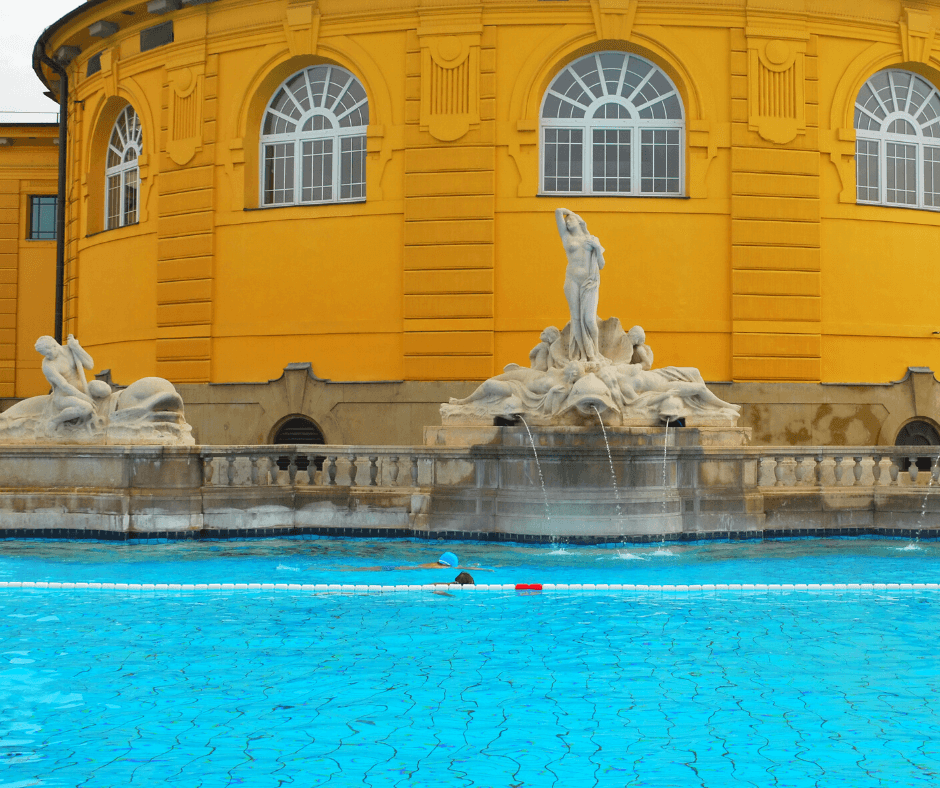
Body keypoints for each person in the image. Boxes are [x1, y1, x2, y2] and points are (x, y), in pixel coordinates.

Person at [556, 208, 605, 363]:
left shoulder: (592, 238)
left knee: (590, 320)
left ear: (579, 221)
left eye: (571, 219)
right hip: (572, 279)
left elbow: (602, 265)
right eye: (567, 220)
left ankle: (594, 353)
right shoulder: (566, 237)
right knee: (576, 318)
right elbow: (558, 211)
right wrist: (570, 212)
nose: (568, 222)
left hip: (589, 282)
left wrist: (597, 248)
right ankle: (582, 355)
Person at [34, 335, 99, 428]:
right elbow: (64, 386)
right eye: (44, 355)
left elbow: (90, 365)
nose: (47, 357)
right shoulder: (48, 366)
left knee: (104, 390)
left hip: (82, 388)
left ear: (54, 345)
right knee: (86, 407)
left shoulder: (70, 349)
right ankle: (54, 421)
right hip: (63, 396)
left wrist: (77, 347)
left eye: (47, 353)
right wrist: (85, 398)